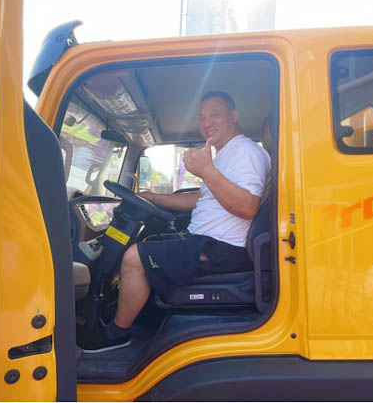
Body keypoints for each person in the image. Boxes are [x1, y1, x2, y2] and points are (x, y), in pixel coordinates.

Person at [82, 91, 270, 353]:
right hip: (207, 242)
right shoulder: (225, 153)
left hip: (222, 249)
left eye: (215, 114)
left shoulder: (245, 152)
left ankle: (118, 333)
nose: (207, 122)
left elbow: (247, 207)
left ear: (234, 115)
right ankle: (139, 315)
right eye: (202, 117)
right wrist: (154, 198)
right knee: (149, 242)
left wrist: (207, 171)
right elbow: (201, 198)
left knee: (135, 258)